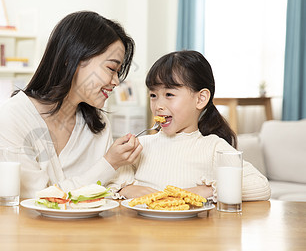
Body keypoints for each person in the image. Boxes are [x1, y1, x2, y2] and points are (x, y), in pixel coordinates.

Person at [0, 11, 142, 198]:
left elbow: (114, 187)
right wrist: (109, 163)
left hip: (84, 228)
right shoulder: (11, 119)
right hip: (15, 226)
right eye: (111, 69)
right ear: (72, 59)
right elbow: (38, 200)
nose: (116, 81)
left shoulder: (98, 124)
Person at [111, 50, 271, 201]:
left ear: (200, 99)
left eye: (169, 94)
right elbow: (110, 186)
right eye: (153, 95)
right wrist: (127, 190)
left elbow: (260, 186)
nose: (158, 105)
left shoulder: (213, 147)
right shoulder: (141, 146)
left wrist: (207, 190)